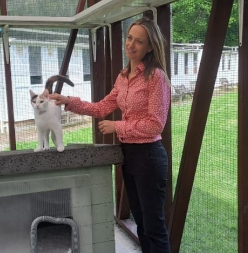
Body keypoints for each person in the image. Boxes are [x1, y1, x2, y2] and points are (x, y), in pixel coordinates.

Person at [50, 17, 171, 253]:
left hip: (149, 157)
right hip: (130, 155)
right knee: (142, 223)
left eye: (139, 41)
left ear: (150, 47)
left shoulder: (156, 77)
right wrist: (68, 101)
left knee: (154, 227)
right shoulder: (123, 77)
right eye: (129, 38)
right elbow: (101, 108)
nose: (131, 45)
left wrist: (118, 127)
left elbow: (155, 125)